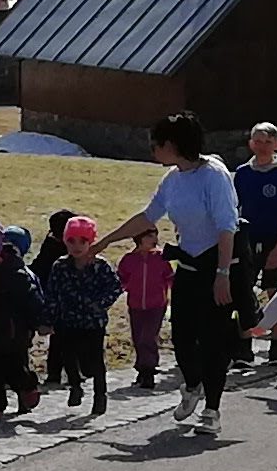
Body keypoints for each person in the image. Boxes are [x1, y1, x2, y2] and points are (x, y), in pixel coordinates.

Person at [111, 113, 242, 434]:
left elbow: (227, 227)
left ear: (171, 144)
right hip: (187, 266)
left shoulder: (214, 176)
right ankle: (193, 384)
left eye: (156, 144)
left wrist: (223, 273)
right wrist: (104, 242)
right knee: (182, 338)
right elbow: (147, 217)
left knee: (211, 341)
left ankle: (212, 410)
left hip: (215, 266)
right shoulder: (172, 179)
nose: (153, 150)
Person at [229, 124, 277, 371]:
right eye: (257, 141)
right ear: (251, 143)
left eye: (267, 142)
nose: (262, 146)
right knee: (243, 292)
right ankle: (243, 349)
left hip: (276, 239)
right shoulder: (242, 173)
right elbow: (235, 208)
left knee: (275, 292)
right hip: (247, 240)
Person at [40, 215, 123, 414]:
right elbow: (52, 294)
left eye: (82, 241)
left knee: (95, 360)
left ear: (91, 242)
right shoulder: (60, 266)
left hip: (93, 322)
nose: (76, 246)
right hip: (67, 321)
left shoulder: (100, 266)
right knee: (68, 357)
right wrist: (48, 320)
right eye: (71, 241)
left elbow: (115, 287)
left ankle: (100, 395)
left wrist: (99, 305)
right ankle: (75, 386)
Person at [0, 223, 47, 419]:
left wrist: (41, 321)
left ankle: (28, 385)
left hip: (13, 330)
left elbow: (31, 299)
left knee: (14, 368)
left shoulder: (14, 272)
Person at [117, 227, 173, 390]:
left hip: (156, 305)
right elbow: (121, 279)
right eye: (149, 236)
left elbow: (170, 278)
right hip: (135, 305)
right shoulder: (129, 259)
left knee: (147, 337)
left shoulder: (161, 258)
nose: (153, 239)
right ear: (139, 238)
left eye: (155, 236)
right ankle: (142, 369)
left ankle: (149, 370)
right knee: (138, 337)